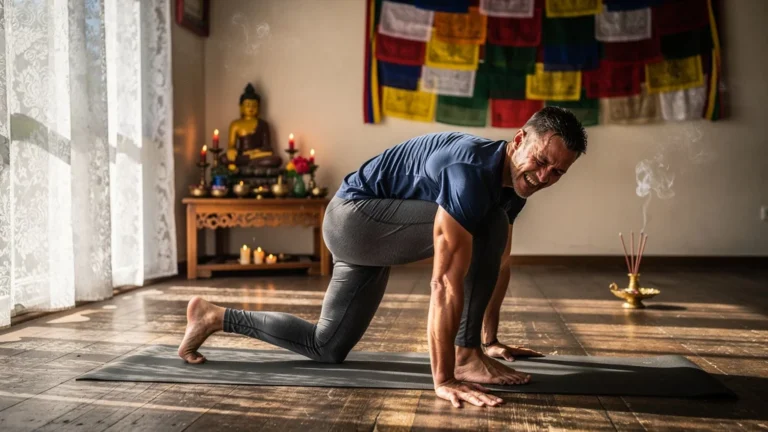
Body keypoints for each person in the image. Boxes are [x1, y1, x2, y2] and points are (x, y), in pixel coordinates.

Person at [178, 107, 587, 408]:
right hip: (354, 219)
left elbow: (498, 262)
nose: (544, 176)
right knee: (489, 223)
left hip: (374, 228)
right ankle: (463, 358)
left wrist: (490, 340)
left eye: (558, 173)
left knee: (327, 346)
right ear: (518, 141)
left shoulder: (513, 188)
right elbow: (444, 281)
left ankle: (214, 316)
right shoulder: (470, 171)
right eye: (541, 161)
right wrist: (445, 376)